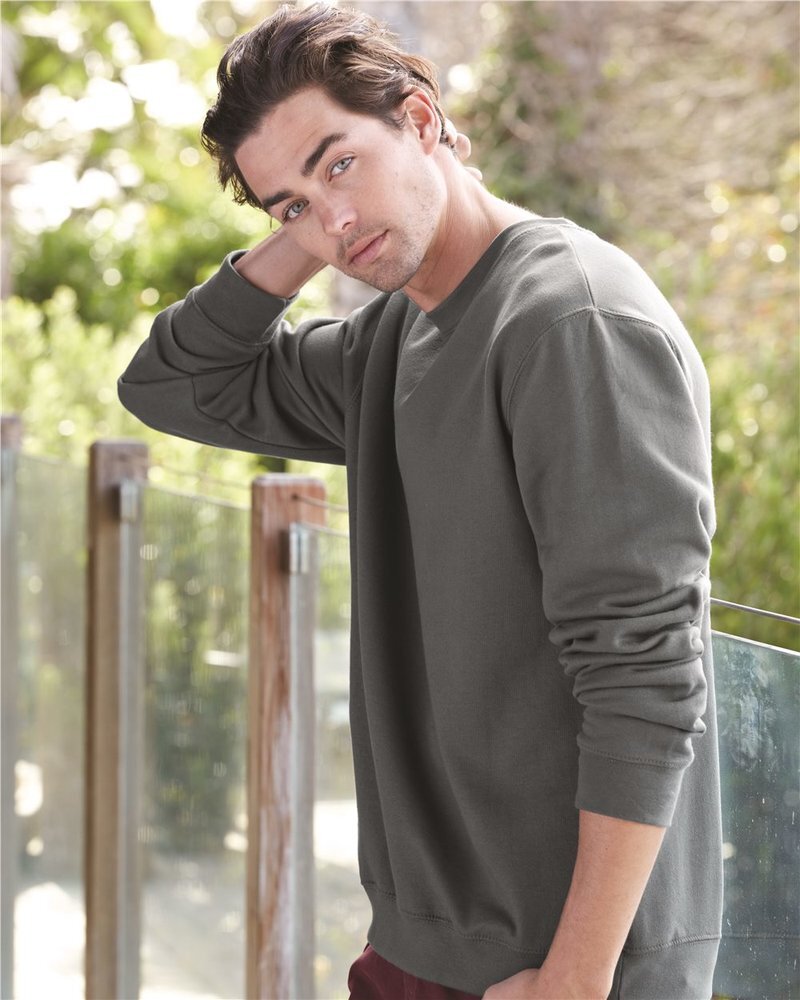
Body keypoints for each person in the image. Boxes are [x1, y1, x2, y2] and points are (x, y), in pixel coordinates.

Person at [118, 4, 723, 998]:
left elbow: (645, 678)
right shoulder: (389, 340)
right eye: (288, 204)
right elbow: (172, 385)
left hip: (564, 962)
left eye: (340, 162)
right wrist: (316, 218)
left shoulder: (571, 321)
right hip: (423, 942)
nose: (331, 219)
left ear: (421, 118)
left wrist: (574, 979)